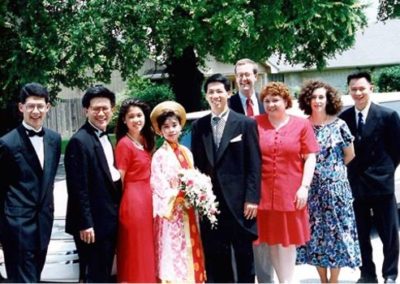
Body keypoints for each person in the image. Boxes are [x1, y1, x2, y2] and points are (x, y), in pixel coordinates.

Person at [191, 73, 261, 283]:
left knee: (243, 258)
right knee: (216, 259)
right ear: (206, 96)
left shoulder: (245, 124)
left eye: (219, 91)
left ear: (228, 93)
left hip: (240, 204)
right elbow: (198, 165)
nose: (215, 95)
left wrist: (252, 198)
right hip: (211, 205)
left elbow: (254, 165)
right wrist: (200, 200)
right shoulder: (199, 126)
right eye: (211, 92)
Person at [296, 80, 361, 283]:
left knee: (338, 237)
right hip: (312, 192)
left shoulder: (340, 124)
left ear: (328, 99)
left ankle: (334, 280)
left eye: (321, 97)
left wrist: (334, 173)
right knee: (316, 238)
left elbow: (349, 155)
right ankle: (323, 280)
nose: (317, 101)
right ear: (308, 100)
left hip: (337, 192)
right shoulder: (302, 126)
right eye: (313, 97)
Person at [254, 81, 319, 283]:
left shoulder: (301, 124)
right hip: (262, 196)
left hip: (290, 194)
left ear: (286, 101)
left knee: (286, 244)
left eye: (276, 100)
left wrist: (304, 187)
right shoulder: (254, 123)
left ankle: (287, 281)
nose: (271, 104)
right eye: (267, 101)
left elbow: (310, 156)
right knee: (271, 242)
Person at [339, 72, 400, 283]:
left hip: (382, 184)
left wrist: (385, 171)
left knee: (389, 233)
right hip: (355, 185)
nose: (358, 93)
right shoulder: (344, 119)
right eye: (353, 89)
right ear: (349, 91)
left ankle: (390, 274)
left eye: (362, 88)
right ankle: (367, 274)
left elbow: (396, 150)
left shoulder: (387, 116)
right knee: (360, 234)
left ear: (371, 89)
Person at [0, 83, 61, 282]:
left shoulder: (54, 139)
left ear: (48, 107)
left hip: (43, 224)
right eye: (30, 106)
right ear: (21, 107)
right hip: (16, 227)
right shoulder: (7, 143)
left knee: (35, 276)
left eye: (40, 106)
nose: (36, 111)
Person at [64, 85, 122, 283]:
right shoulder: (79, 141)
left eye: (105, 108)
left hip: (108, 221)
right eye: (96, 108)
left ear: (112, 110)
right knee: (95, 276)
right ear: (86, 110)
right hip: (92, 227)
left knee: (104, 274)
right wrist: (85, 224)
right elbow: (78, 188)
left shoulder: (106, 138)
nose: (101, 113)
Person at [150, 101, 206, 283]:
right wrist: (177, 195)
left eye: (174, 125)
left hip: (189, 210)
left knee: (193, 248)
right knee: (175, 253)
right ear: (160, 131)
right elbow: (158, 186)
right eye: (166, 127)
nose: (171, 130)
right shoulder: (159, 156)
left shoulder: (186, 152)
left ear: (180, 127)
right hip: (173, 215)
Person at [230, 58, 272, 283]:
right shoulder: (227, 106)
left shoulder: (269, 103)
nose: (244, 79)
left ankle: (266, 280)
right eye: (240, 75)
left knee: (263, 237)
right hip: (237, 182)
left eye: (248, 74)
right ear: (236, 79)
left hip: (266, 179)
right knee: (241, 237)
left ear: (256, 76)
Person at [114, 98, 156, 282]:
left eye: (139, 115)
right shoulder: (124, 144)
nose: (136, 119)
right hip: (133, 202)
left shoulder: (146, 140)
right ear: (124, 120)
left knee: (148, 246)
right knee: (135, 248)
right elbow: (120, 179)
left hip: (149, 199)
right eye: (131, 116)